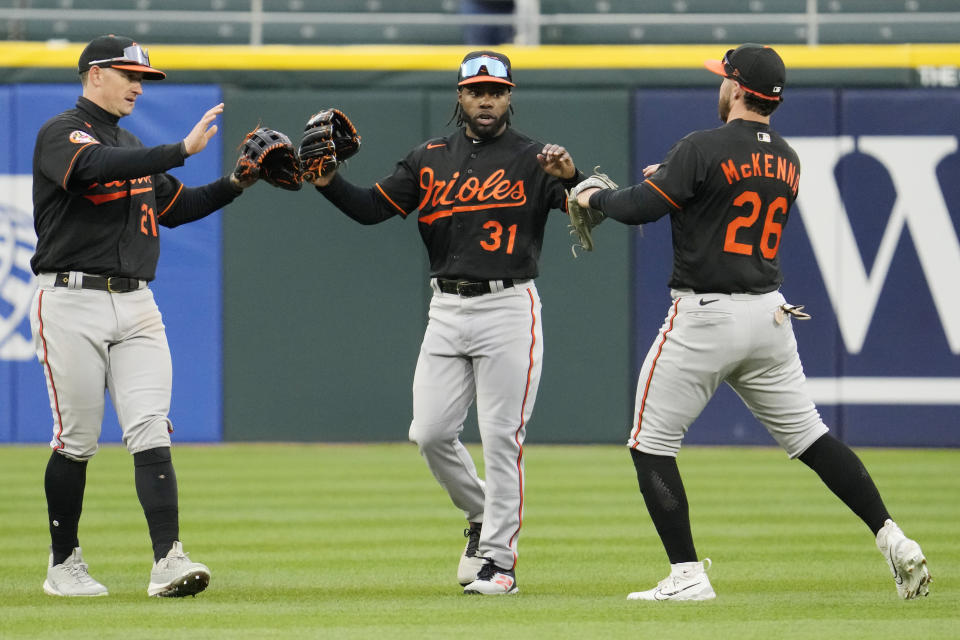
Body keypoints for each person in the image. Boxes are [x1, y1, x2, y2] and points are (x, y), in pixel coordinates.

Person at [574, 43, 931, 601]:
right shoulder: (787, 156)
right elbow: (718, 196)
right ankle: (892, 536)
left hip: (706, 314)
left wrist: (598, 196)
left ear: (738, 89)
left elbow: (642, 207)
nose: (719, 86)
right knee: (812, 438)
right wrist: (673, 183)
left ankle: (687, 574)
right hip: (769, 315)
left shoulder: (700, 145)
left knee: (650, 443)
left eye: (724, 79)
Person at [304, 50, 584, 595]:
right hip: (447, 309)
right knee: (429, 433)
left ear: (510, 96)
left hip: (509, 306)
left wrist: (573, 178)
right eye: (476, 90)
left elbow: (584, 206)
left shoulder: (534, 157)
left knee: (502, 438)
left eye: (496, 91)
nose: (486, 99)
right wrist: (327, 181)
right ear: (460, 95)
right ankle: (482, 514)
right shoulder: (428, 157)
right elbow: (370, 208)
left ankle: (500, 564)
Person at [30, 35, 257, 597]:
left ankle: (168, 561)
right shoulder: (62, 133)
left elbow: (178, 208)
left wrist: (237, 182)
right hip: (70, 300)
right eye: (127, 74)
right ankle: (64, 565)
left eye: (143, 78)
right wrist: (179, 149)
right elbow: (91, 168)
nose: (137, 84)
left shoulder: (130, 142)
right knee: (77, 438)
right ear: (93, 75)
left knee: (151, 427)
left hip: (136, 305)